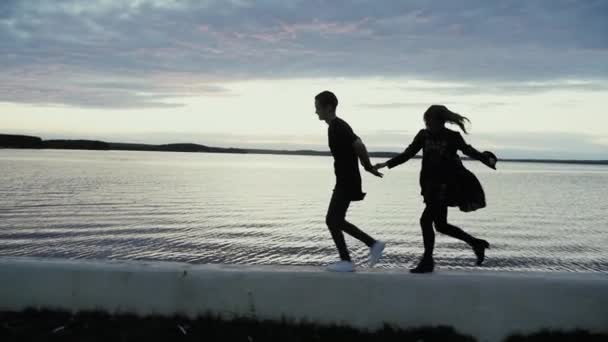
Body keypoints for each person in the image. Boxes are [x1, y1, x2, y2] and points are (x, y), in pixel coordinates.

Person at [375, 105, 497, 273]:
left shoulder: (452, 136)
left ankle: (427, 261)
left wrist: (486, 159)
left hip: (445, 186)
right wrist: (386, 164)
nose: (427, 125)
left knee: (425, 221)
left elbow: (468, 151)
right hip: (429, 185)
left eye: (430, 121)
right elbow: (408, 154)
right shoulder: (423, 135)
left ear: (440, 121)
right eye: (426, 121)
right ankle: (476, 243)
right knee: (441, 225)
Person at [314, 90, 386, 272]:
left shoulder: (338, 126)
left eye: (317, 108)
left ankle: (353, 257)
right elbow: (357, 142)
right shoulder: (337, 126)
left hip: (347, 180)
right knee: (335, 220)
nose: (316, 112)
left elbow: (359, 145)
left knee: (332, 220)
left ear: (328, 107)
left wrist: (368, 167)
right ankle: (369, 246)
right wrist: (366, 167)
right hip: (346, 179)